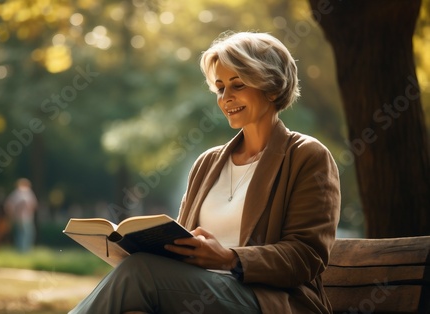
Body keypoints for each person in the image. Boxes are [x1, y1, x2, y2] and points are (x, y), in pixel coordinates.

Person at [70, 31, 341, 314]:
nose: (226, 98)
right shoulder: (207, 163)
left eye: (238, 85)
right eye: (221, 87)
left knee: (140, 272)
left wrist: (230, 259)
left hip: (269, 301)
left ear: (272, 88)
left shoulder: (307, 156)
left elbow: (306, 256)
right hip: (197, 294)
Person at [4, 178, 38, 253]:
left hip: (17, 218)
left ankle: (19, 251)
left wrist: (12, 215)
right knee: (27, 234)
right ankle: (24, 251)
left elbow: (8, 205)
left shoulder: (15, 192)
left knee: (19, 234)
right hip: (26, 218)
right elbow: (33, 204)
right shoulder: (26, 191)